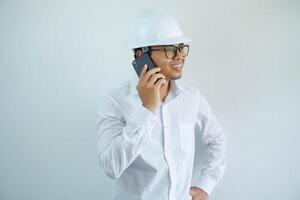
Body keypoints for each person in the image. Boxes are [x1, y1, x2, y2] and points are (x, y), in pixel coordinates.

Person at [96, 9, 226, 200]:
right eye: (170, 49)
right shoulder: (114, 102)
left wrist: (205, 185)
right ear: (141, 55)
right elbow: (111, 167)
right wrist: (146, 110)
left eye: (181, 47)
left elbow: (217, 140)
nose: (180, 56)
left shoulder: (191, 97)